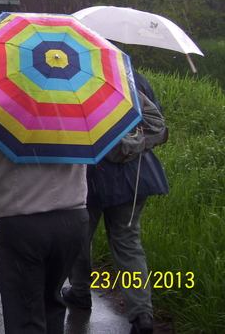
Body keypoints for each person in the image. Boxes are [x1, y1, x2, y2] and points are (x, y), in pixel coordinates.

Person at [62, 71, 169, 334]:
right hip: (135, 174)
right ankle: (142, 314)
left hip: (91, 175)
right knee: (128, 243)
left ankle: (80, 292)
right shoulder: (135, 76)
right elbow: (153, 121)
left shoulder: (72, 79)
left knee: (80, 238)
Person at [0, 124, 89, 334]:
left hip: (22, 224)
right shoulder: (74, 110)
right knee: (52, 303)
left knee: (25, 314)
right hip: (73, 220)